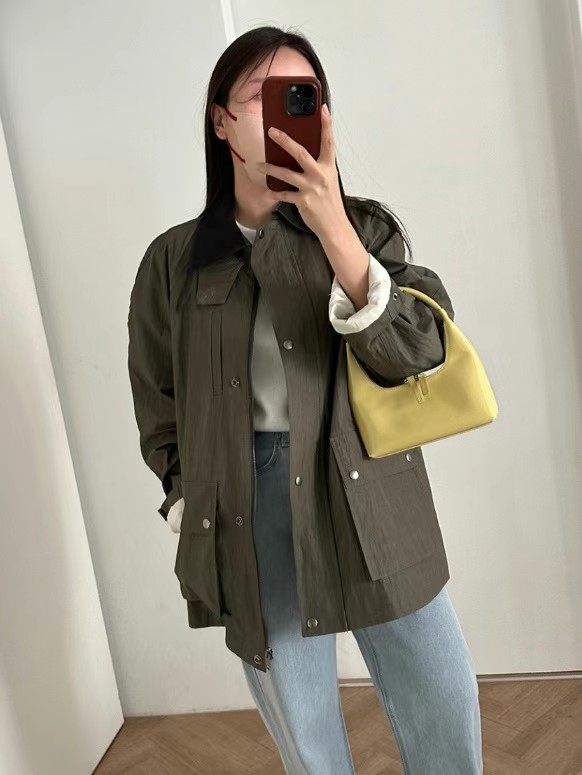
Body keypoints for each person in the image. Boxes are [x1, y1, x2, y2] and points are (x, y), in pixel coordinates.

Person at [127, 24, 483, 775]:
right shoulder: (173, 261)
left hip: (369, 486)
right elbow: (158, 397)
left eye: (302, 96)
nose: (283, 112)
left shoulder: (365, 229)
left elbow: (417, 352)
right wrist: (185, 496)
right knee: (304, 723)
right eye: (262, 95)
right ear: (221, 120)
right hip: (248, 502)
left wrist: (332, 227)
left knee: (441, 693)